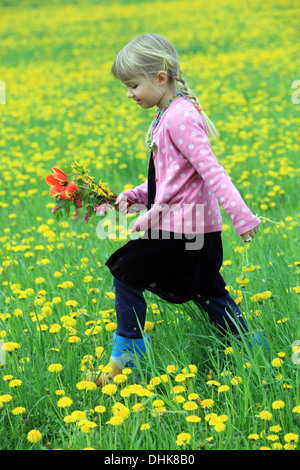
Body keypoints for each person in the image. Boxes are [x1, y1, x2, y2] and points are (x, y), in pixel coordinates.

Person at [94, 33, 261, 385]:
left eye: (133, 85)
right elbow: (171, 178)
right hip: (193, 229)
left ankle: (129, 352)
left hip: (182, 229)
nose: (129, 94)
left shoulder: (180, 118)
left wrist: (242, 217)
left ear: (160, 77)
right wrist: (135, 195)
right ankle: (250, 346)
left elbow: (211, 171)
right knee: (205, 289)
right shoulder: (166, 114)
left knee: (125, 273)